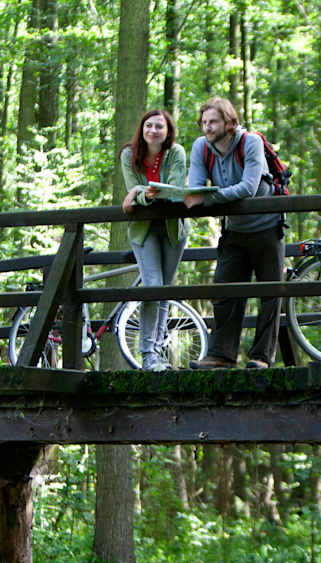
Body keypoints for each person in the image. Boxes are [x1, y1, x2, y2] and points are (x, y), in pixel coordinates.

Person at [183, 97, 285, 369]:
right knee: (225, 291)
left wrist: (208, 198)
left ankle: (262, 357)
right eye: (204, 122)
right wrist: (198, 197)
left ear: (229, 122)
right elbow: (194, 189)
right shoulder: (201, 148)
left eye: (213, 121)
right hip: (234, 230)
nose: (207, 127)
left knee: (270, 294)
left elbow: (248, 188)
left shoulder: (249, 142)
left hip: (267, 227)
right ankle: (221, 356)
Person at [119, 110, 191, 371]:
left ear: (167, 131)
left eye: (159, 126)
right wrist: (141, 194)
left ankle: (158, 351)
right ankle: (148, 352)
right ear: (142, 129)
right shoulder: (129, 155)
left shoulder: (177, 153)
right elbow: (132, 187)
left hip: (173, 229)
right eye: (148, 125)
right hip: (143, 229)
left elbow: (174, 190)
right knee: (152, 286)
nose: (153, 130)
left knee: (165, 291)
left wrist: (139, 193)